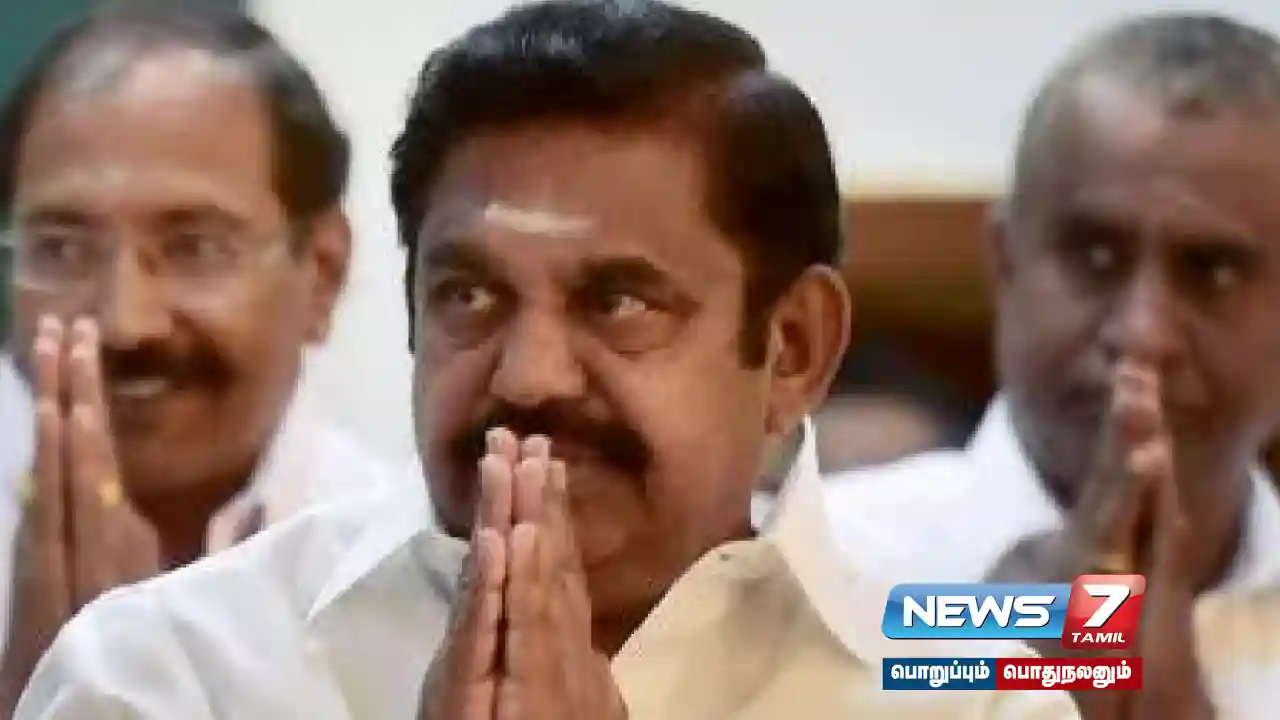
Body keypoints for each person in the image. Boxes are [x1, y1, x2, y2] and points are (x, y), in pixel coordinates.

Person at [11, 2, 1077, 718]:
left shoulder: (970, 687)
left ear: (792, 349)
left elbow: (1071, 642)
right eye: (469, 297)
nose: (527, 377)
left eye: (618, 303)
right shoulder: (168, 671)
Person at [822, 13, 1280, 718]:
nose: (1143, 333)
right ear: (1005, 262)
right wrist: (1004, 664)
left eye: (1212, 271)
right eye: (1095, 257)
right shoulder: (818, 571)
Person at [0, 2, 397, 708]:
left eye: (195, 248)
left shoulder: (401, 572)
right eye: (61, 249)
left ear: (323, 273)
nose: (126, 324)